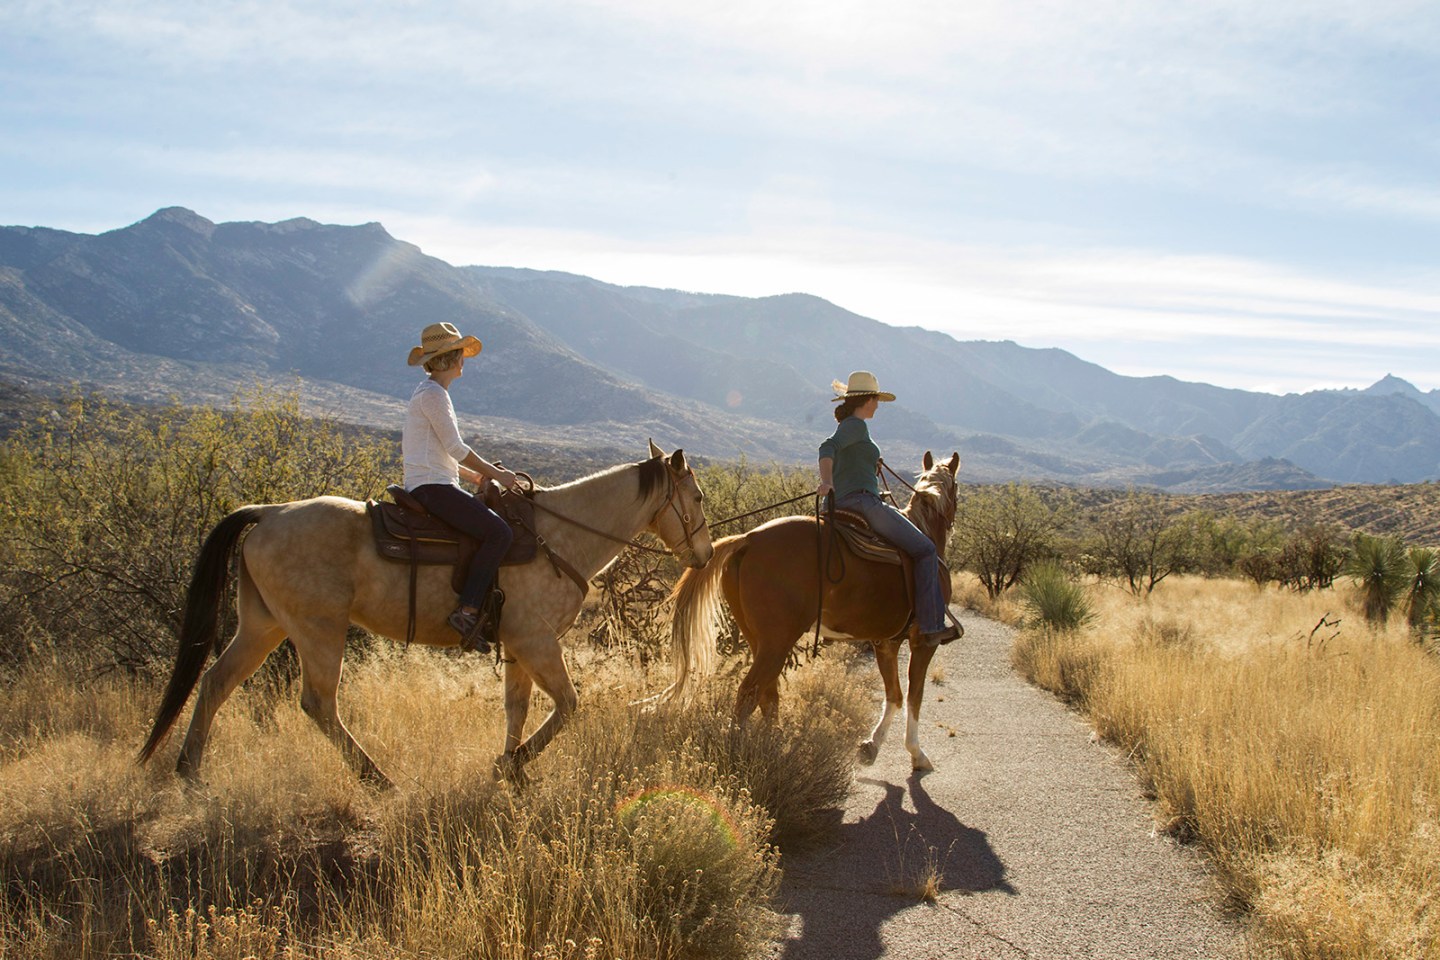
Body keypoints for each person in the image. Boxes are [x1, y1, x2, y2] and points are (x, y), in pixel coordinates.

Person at [817, 370, 960, 647]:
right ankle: (931, 625)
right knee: (926, 549)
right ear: (868, 400)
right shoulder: (856, 426)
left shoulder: (850, 426)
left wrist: (869, 464)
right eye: (876, 400)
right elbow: (827, 447)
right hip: (863, 503)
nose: (878, 406)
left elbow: (845, 458)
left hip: (842, 503)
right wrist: (827, 481)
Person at [403, 321, 519, 654]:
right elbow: (455, 447)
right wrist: (497, 475)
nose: (463, 360)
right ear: (450, 359)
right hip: (432, 488)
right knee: (499, 534)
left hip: (433, 483)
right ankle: (467, 612)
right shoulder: (434, 395)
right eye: (459, 354)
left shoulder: (429, 393)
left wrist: (476, 478)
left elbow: (439, 453)